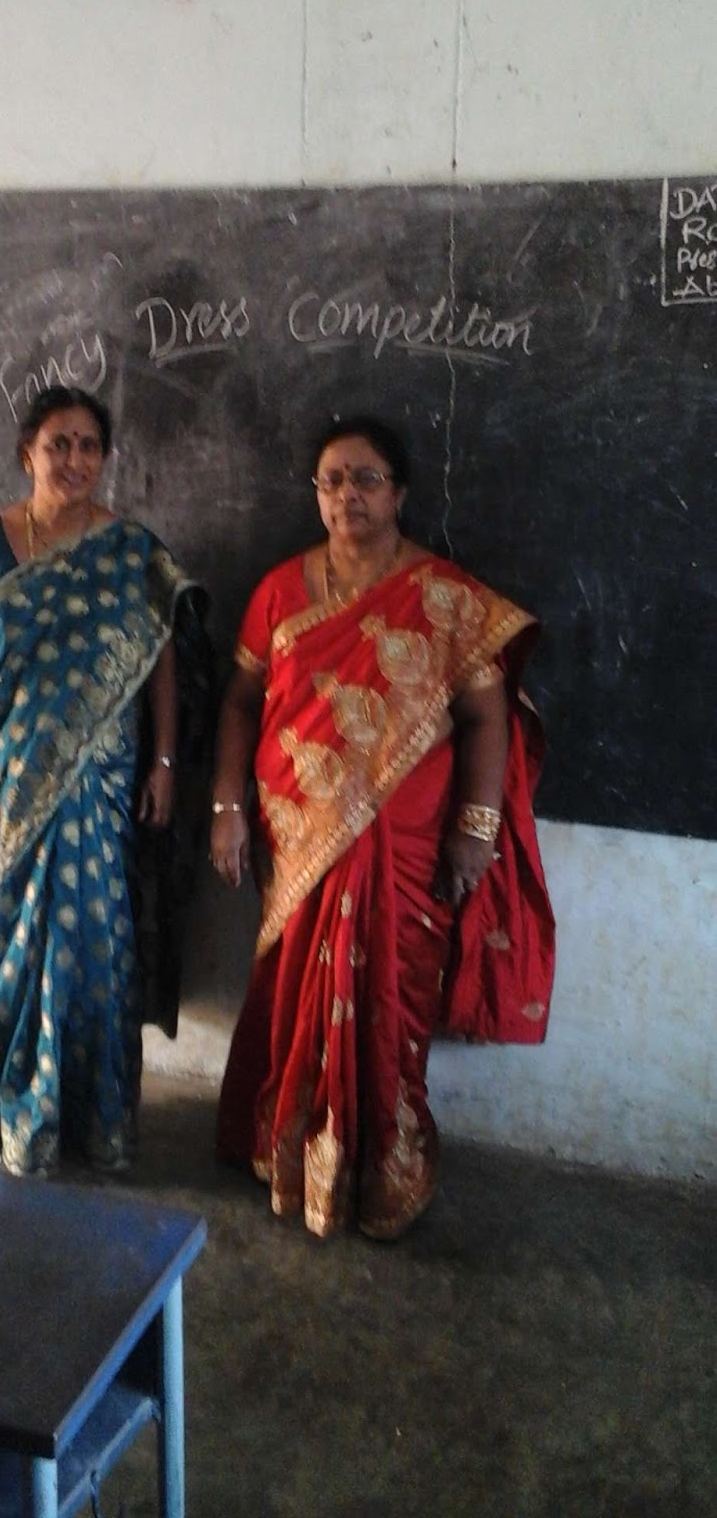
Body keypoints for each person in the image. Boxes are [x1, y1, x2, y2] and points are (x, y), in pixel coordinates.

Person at [210, 415, 555, 1240]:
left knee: (393, 1003)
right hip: (299, 837)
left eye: (366, 479)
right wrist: (226, 808)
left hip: (408, 846)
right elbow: (240, 703)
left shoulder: (445, 598)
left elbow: (488, 714)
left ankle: (385, 1171)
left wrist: (477, 827)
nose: (347, 495)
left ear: (399, 493)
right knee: (295, 995)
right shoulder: (279, 591)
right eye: (332, 480)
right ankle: (295, 1157)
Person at [0, 385, 203, 1177]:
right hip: (10, 773)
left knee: (96, 943)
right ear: (29, 453)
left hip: (102, 778)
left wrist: (163, 762)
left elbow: (162, 663)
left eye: (89, 445)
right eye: (60, 444)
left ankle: (94, 1118)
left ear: (105, 456)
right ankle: (7, 1108)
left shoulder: (132, 551)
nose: (75, 459)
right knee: (14, 940)